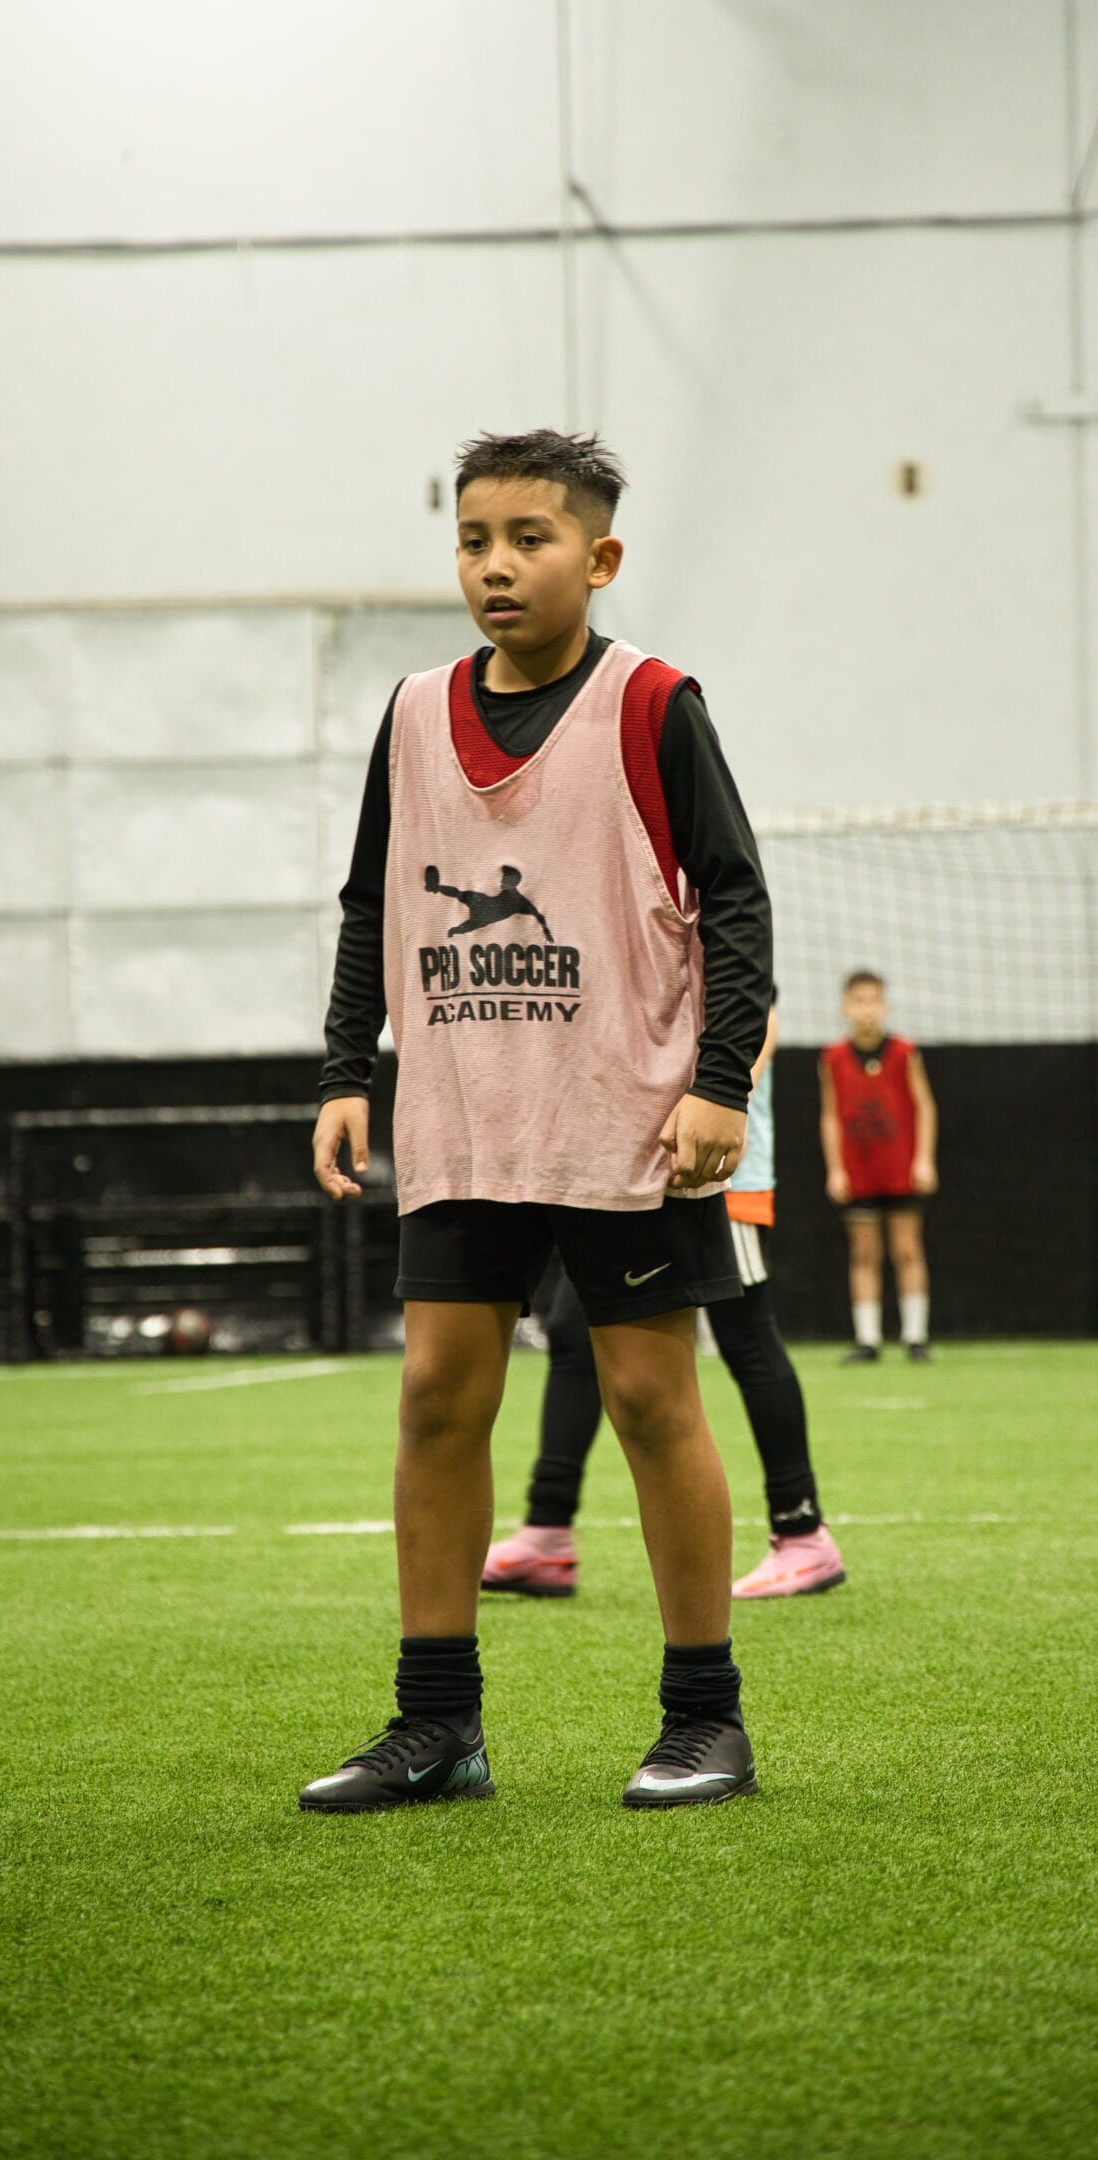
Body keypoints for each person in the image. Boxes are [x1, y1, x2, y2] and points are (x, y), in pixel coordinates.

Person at [304, 429, 773, 1814]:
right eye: (471, 541)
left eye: (528, 538)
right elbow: (367, 904)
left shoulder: (651, 703)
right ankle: (435, 1724)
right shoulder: (409, 712)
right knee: (438, 1400)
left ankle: (705, 1719)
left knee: (644, 1397)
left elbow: (734, 903)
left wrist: (719, 1081)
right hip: (460, 1113)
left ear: (598, 557)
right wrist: (344, 1069)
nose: (495, 565)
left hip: (619, 1116)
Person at [484, 996, 844, 1600]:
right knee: (572, 1333)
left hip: (714, 1181)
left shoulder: (715, 938)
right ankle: (547, 1532)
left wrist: (713, 1091)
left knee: (748, 1341)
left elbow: (759, 1025)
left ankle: (802, 1531)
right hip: (622, 1184)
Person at [819, 970, 938, 1364]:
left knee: (907, 1250)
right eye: (859, 1002)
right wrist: (836, 1169)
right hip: (859, 1170)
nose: (866, 1010)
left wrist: (923, 1159)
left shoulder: (905, 1052)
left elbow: (924, 1106)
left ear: (884, 1007)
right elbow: (831, 1114)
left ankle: (915, 1336)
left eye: (873, 1002)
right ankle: (868, 1339)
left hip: (899, 1166)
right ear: (845, 1008)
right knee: (864, 1255)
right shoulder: (832, 1058)